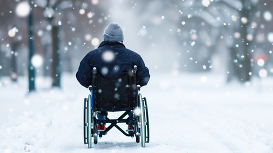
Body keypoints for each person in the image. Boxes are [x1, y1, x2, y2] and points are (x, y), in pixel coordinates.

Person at [76, 22, 150, 131]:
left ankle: (100, 120)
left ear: (105, 38)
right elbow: (144, 78)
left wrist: (91, 84)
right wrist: (135, 84)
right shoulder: (134, 57)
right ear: (122, 39)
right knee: (134, 92)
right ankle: (131, 121)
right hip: (127, 100)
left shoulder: (92, 57)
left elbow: (82, 77)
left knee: (97, 92)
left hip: (100, 100)